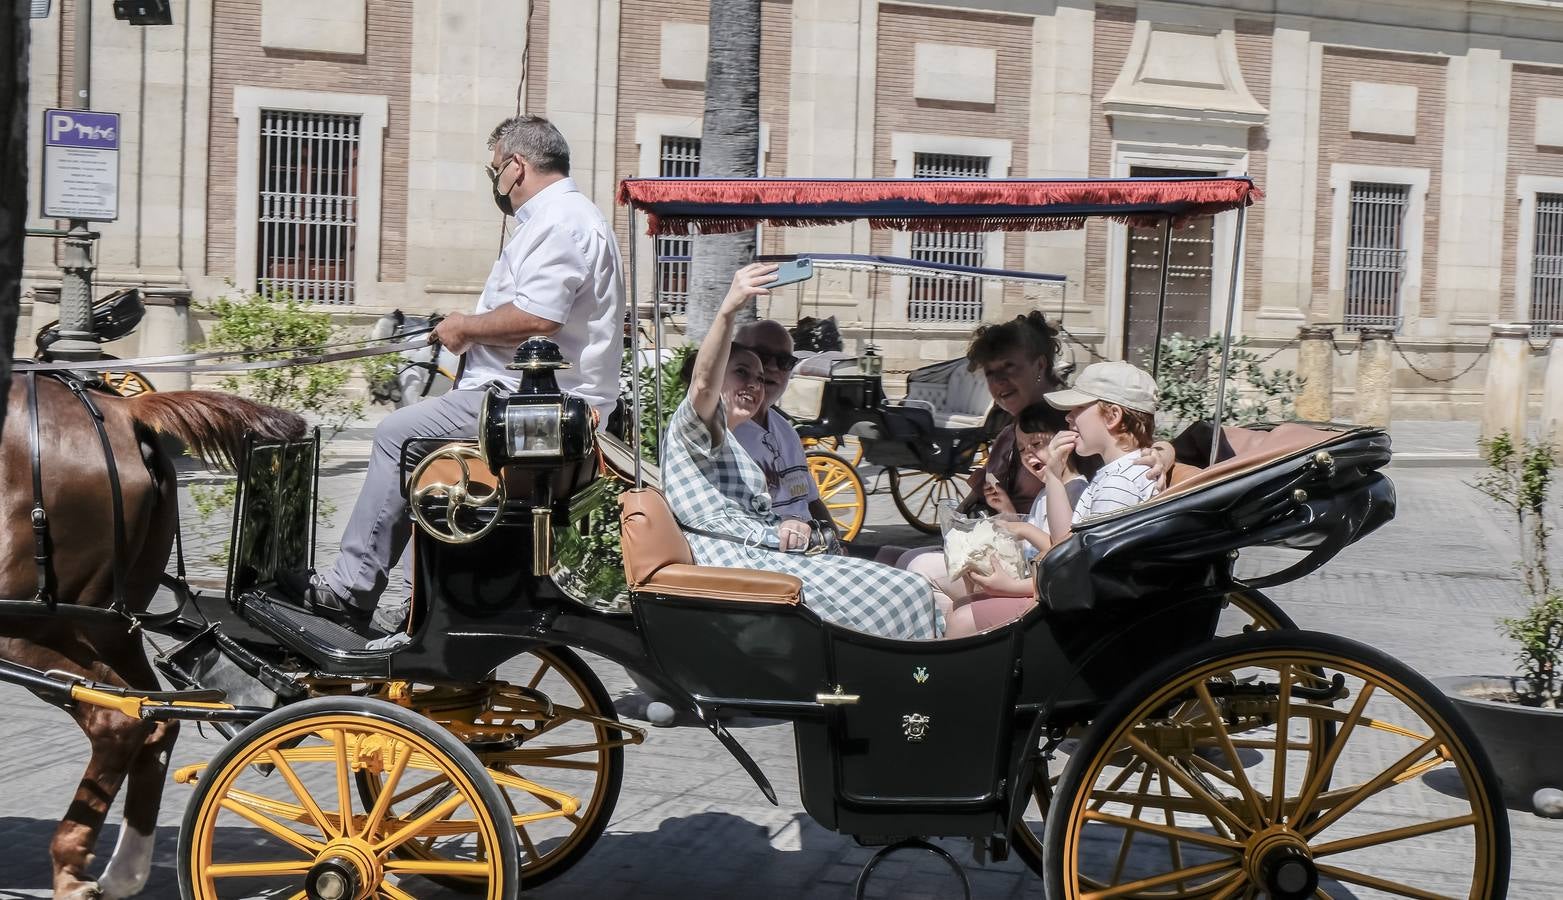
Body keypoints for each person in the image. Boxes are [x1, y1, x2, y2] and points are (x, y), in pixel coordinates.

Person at [286, 115, 625, 632]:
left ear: (517, 166)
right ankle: (408, 596)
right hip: (532, 402)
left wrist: (465, 328)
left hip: (530, 409)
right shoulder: (566, 217)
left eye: (496, 170)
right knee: (425, 460)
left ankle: (349, 589)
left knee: (397, 435)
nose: (497, 183)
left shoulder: (559, 220)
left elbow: (538, 317)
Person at [662, 263, 944, 639]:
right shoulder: (694, 429)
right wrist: (729, 308)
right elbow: (702, 383)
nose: (758, 382)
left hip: (765, 554)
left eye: (763, 376)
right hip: (737, 564)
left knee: (910, 580)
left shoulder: (763, 433)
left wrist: (814, 535)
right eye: (741, 372)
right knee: (908, 588)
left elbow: (804, 501)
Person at [1039, 360, 1160, 544]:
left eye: (1079, 407)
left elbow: (1086, 561)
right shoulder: (1119, 474)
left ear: (1112, 416)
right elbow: (1065, 543)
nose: (1068, 416)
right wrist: (1053, 476)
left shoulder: (1119, 483)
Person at [731, 318, 835, 531]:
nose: (770, 367)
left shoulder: (786, 431)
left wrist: (837, 541)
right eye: (761, 355)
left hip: (811, 546)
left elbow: (811, 500)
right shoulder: (720, 431)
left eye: (784, 361)